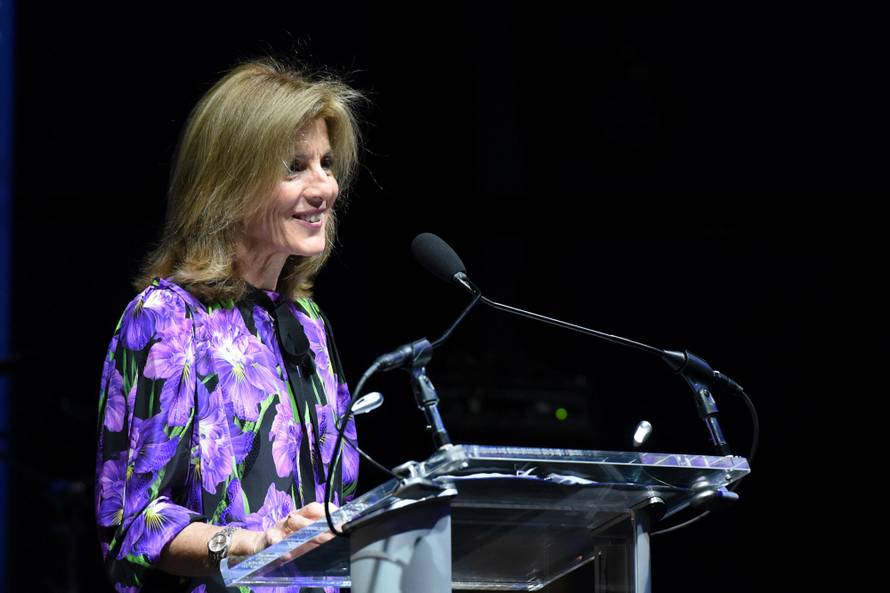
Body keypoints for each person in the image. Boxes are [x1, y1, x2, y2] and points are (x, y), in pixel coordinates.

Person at [95, 58, 364, 593]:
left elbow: (338, 503)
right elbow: (135, 526)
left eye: (327, 163)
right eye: (295, 167)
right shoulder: (166, 319)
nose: (325, 188)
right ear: (230, 184)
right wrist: (254, 546)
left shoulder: (307, 322)